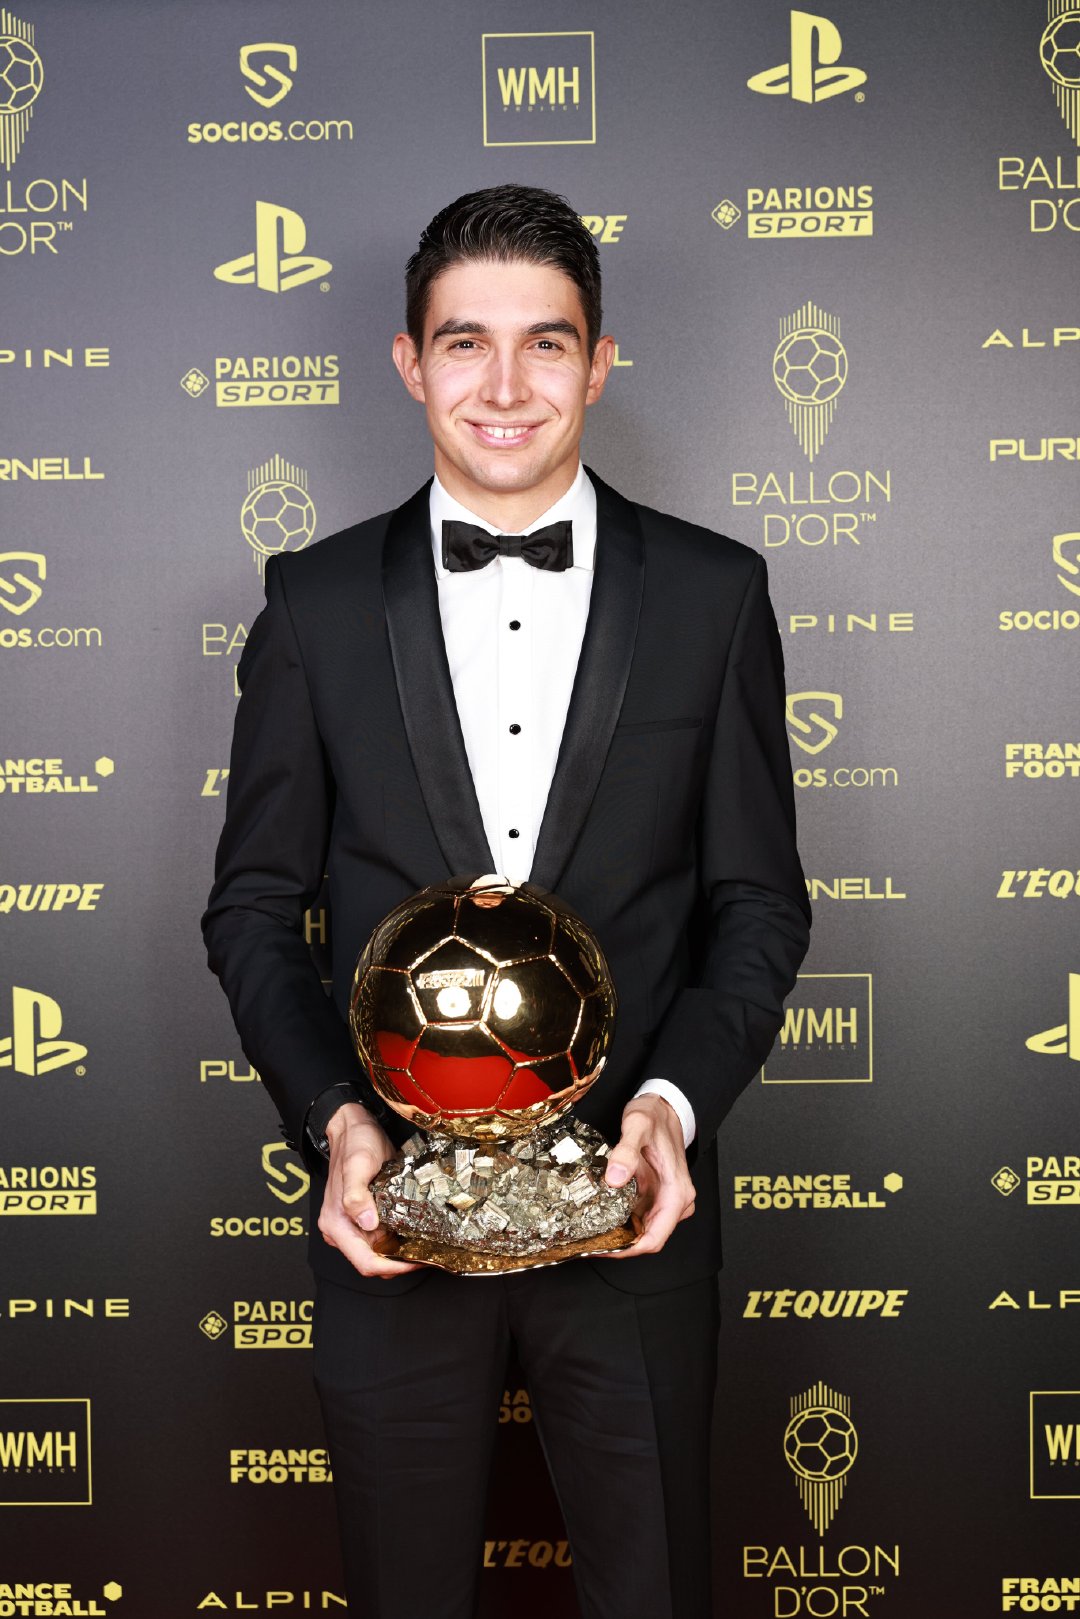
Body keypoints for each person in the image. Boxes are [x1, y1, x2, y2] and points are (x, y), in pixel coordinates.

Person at [202, 183, 810, 1619]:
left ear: (599, 365)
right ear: (409, 362)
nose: (505, 384)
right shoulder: (315, 603)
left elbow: (758, 905)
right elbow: (254, 910)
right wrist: (339, 1126)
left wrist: (670, 1111)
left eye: (547, 342)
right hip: (391, 1213)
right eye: (464, 341)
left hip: (633, 1209)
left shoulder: (717, 594)